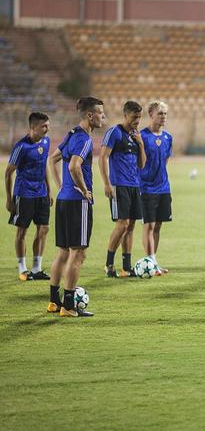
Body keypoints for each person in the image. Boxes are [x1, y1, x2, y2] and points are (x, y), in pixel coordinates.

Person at [48, 96, 106, 317]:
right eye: (100, 113)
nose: (103, 117)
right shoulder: (84, 140)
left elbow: (52, 160)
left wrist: (61, 186)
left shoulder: (71, 133)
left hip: (64, 200)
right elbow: (74, 166)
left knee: (63, 252)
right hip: (77, 203)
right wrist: (83, 189)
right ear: (90, 115)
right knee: (78, 253)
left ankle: (54, 302)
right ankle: (69, 305)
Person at [99, 101, 146, 277]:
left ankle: (127, 266)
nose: (137, 121)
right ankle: (109, 264)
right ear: (125, 115)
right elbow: (102, 157)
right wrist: (106, 183)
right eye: (134, 117)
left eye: (140, 117)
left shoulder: (136, 135)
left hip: (135, 186)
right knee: (122, 224)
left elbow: (142, 165)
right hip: (119, 185)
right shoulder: (114, 132)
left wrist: (141, 144)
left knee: (131, 226)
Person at [5, 112, 53, 281]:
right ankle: (22, 268)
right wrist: (9, 199)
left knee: (44, 229)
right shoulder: (21, 147)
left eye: (48, 125)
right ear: (33, 127)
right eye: (43, 126)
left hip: (41, 193)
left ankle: (37, 268)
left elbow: (45, 163)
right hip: (24, 193)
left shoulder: (46, 141)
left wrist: (49, 189)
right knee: (22, 231)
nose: (47, 129)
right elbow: (8, 173)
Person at [139, 101, 173, 275]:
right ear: (151, 114)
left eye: (165, 113)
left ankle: (153, 261)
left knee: (158, 225)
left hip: (163, 188)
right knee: (149, 225)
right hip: (146, 188)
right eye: (160, 113)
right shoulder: (142, 136)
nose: (163, 117)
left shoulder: (168, 137)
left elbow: (166, 160)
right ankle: (149, 261)